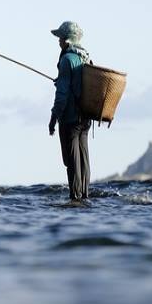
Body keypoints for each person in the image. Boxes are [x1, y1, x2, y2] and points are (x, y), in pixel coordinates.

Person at [48, 21, 92, 201]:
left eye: (60, 38)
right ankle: (85, 198)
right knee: (83, 160)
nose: (58, 41)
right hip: (85, 118)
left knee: (72, 162)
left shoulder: (66, 60)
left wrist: (53, 117)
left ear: (66, 41)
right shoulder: (85, 57)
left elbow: (62, 95)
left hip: (71, 118)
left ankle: (75, 199)